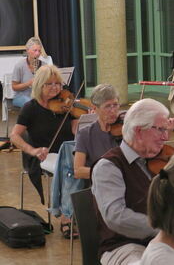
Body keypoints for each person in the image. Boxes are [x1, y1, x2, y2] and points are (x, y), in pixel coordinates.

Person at [92, 98, 174, 265]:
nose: (165, 137)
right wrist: (164, 229)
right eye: (161, 130)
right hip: (125, 247)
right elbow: (116, 217)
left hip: (171, 240)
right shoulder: (108, 167)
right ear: (139, 131)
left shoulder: (163, 160)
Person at [9, 64, 79, 238]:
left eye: (58, 84)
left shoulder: (66, 106)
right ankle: (65, 217)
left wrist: (83, 118)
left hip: (67, 153)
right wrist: (32, 150)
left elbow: (75, 131)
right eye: (50, 84)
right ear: (40, 85)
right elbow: (15, 136)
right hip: (43, 156)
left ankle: (85, 212)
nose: (55, 87)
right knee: (70, 169)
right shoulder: (30, 108)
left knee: (91, 165)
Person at [73, 84, 122, 180]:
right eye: (107, 106)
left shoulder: (125, 130)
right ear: (94, 108)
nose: (113, 111)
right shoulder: (85, 134)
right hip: (99, 186)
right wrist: (106, 172)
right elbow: (78, 171)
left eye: (115, 105)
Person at [11, 37, 48, 108]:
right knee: (33, 103)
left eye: (39, 51)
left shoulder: (44, 65)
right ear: (27, 50)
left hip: (39, 96)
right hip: (21, 96)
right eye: (35, 50)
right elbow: (14, 87)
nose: (37, 54)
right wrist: (29, 84)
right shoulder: (19, 65)